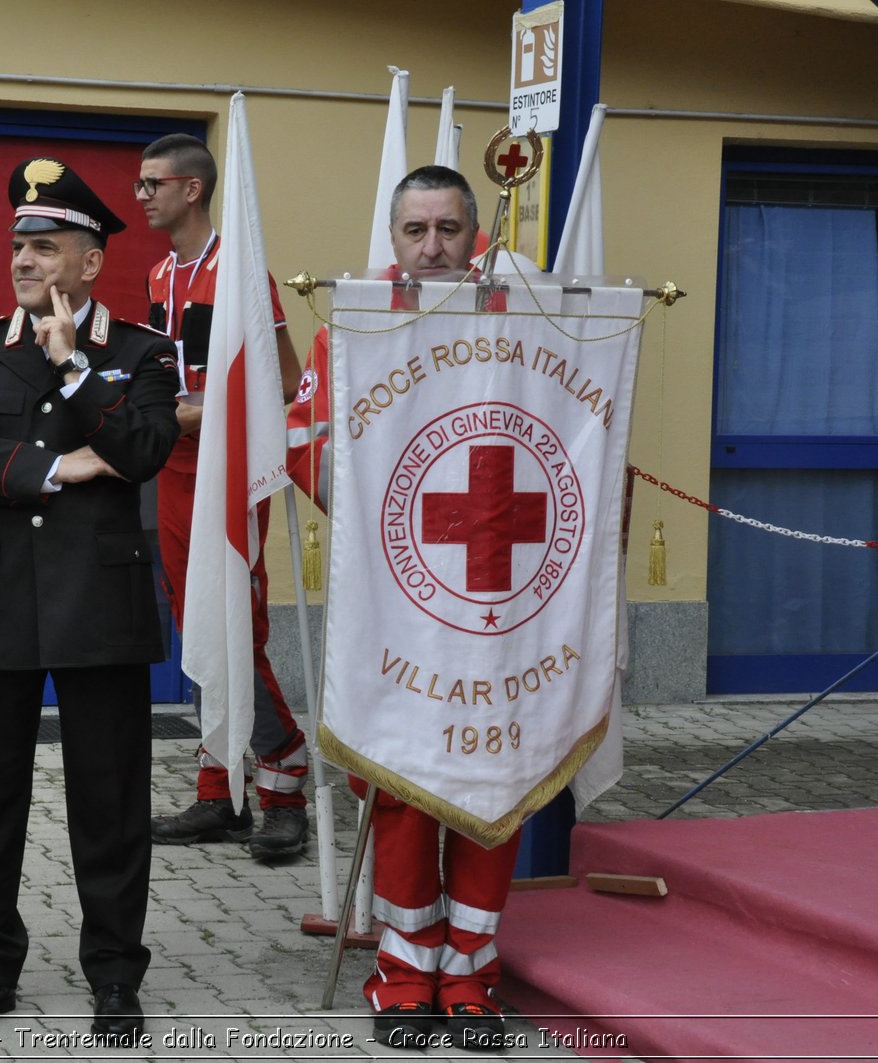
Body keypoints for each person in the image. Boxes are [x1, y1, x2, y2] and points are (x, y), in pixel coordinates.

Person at [0, 157, 179, 1041]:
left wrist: (74, 368)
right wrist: (57, 466)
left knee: (108, 807)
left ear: (91, 260)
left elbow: (143, 448)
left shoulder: (142, 352)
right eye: (19, 245)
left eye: (44, 246)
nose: (24, 260)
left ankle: (114, 973)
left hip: (100, 612)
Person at [286, 166, 518, 1053]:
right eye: (416, 230)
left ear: (474, 233)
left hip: (502, 611)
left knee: (495, 780)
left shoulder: (525, 321)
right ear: (393, 238)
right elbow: (308, 450)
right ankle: (405, 965)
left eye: (450, 229)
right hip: (395, 605)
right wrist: (392, 514)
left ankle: (472, 972)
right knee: (404, 788)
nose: (433, 248)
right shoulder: (353, 325)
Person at [135, 133, 309, 861]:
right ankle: (220, 790)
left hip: (228, 470)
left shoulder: (241, 273)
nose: (141, 195)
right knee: (194, 619)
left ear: (193, 189)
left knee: (239, 622)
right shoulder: (156, 273)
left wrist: (205, 411)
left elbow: (287, 380)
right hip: (168, 467)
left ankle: (283, 784)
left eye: (153, 184)